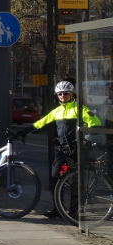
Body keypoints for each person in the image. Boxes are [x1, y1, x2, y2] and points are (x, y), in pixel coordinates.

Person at [19, 80, 101, 218]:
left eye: (66, 93)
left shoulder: (81, 109)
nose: (63, 96)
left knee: (75, 182)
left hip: (76, 150)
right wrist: (23, 132)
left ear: (72, 94)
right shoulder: (57, 111)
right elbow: (40, 124)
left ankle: (74, 213)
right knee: (55, 178)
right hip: (62, 151)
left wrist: (87, 139)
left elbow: (95, 124)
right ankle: (58, 209)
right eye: (60, 94)